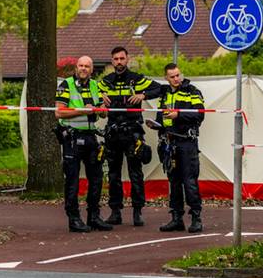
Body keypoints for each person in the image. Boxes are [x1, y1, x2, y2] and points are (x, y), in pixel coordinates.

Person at [99, 46, 157, 226]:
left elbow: (159, 89)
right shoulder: (106, 81)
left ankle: (138, 212)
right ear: (111, 61)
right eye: (115, 59)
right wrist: (100, 96)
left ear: (127, 59)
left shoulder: (136, 80)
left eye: (121, 58)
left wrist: (143, 95)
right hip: (113, 133)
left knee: (135, 174)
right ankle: (115, 211)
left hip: (132, 133)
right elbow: (91, 93)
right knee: (113, 175)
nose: (119, 62)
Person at [147, 62, 206, 233]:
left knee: (190, 182)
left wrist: (178, 114)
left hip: (187, 143)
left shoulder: (192, 91)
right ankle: (176, 218)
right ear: (166, 78)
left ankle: (196, 218)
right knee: (174, 182)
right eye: (172, 76)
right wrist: (156, 125)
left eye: (178, 75)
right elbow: (163, 117)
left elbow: (200, 115)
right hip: (169, 143)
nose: (176, 79)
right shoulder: (164, 94)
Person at [55, 55, 111, 233]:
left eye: (87, 66)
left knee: (96, 178)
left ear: (92, 69)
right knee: (72, 180)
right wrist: (82, 110)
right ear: (76, 67)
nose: (84, 69)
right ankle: (74, 219)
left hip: (90, 137)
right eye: (81, 65)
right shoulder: (66, 85)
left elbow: (102, 113)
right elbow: (59, 113)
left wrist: (102, 111)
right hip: (72, 137)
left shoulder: (95, 86)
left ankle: (93, 217)